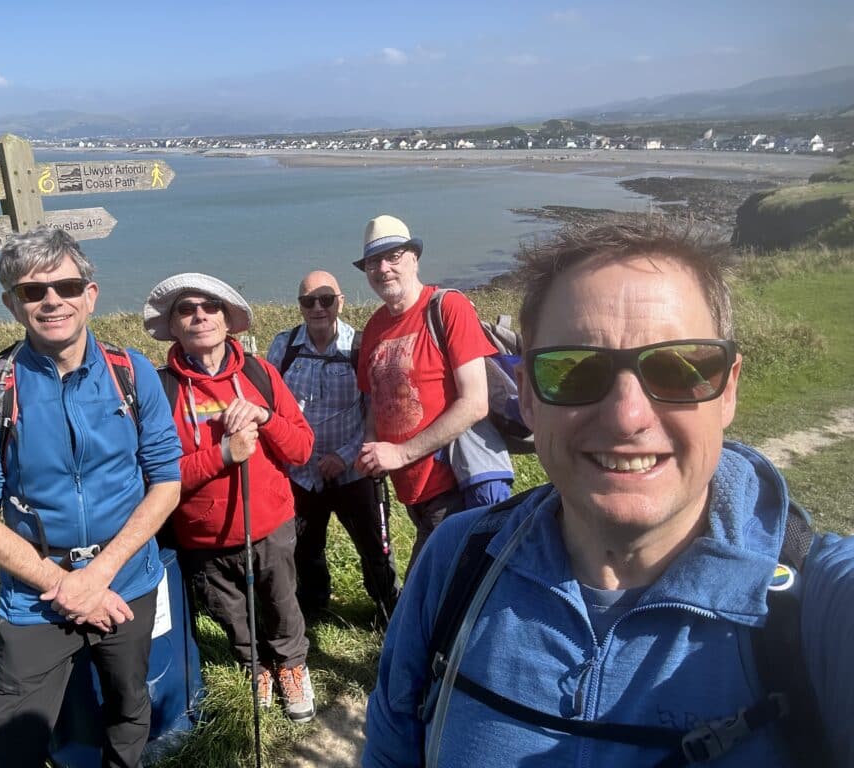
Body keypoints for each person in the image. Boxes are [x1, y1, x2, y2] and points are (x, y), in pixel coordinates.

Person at [363, 221, 854, 767]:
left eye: (677, 368)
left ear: (728, 390)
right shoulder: (454, 563)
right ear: (526, 397)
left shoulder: (817, 607)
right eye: (575, 371)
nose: (627, 417)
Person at [0, 227, 183, 767]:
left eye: (67, 286)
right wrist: (65, 585)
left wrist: (96, 578)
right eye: (33, 291)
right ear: (12, 304)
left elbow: (165, 483)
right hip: (35, 596)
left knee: (129, 704)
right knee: (11, 743)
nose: (52, 300)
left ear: (90, 295)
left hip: (126, 580)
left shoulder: (133, 372)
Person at [142, 272, 318, 723]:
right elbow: (159, 476)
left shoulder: (261, 374)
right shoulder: (160, 391)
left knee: (282, 606)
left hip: (271, 526)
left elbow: (301, 448)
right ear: (175, 326)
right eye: (187, 309)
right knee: (232, 617)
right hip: (204, 541)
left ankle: (292, 668)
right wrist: (223, 454)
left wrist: (265, 416)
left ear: (227, 319)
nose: (200, 315)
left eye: (210, 306)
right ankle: (255, 668)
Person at [353, 214, 512, 568]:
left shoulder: (446, 307)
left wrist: (400, 454)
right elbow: (374, 400)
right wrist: (371, 446)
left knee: (427, 593)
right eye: (373, 262)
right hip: (411, 490)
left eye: (393, 256)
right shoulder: (374, 326)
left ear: (414, 257)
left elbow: (474, 403)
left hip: (453, 481)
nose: (383, 269)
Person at [267, 270, 402, 625]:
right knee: (305, 548)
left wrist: (343, 457)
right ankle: (314, 606)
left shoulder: (359, 346)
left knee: (374, 546)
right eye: (308, 301)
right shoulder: (284, 346)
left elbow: (375, 411)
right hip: (300, 472)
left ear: (340, 301)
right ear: (299, 306)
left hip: (354, 470)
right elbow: (273, 407)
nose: (317, 307)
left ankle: (388, 610)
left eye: (326, 299)